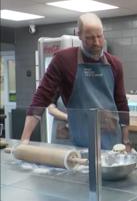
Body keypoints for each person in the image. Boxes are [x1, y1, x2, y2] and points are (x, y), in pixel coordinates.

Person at [21, 13, 131, 151]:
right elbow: (41, 97)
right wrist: (25, 139)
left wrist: (126, 141)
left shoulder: (115, 64)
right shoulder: (64, 60)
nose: (97, 42)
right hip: (79, 139)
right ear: (79, 35)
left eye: (99, 36)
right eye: (90, 38)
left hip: (110, 139)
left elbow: (121, 103)